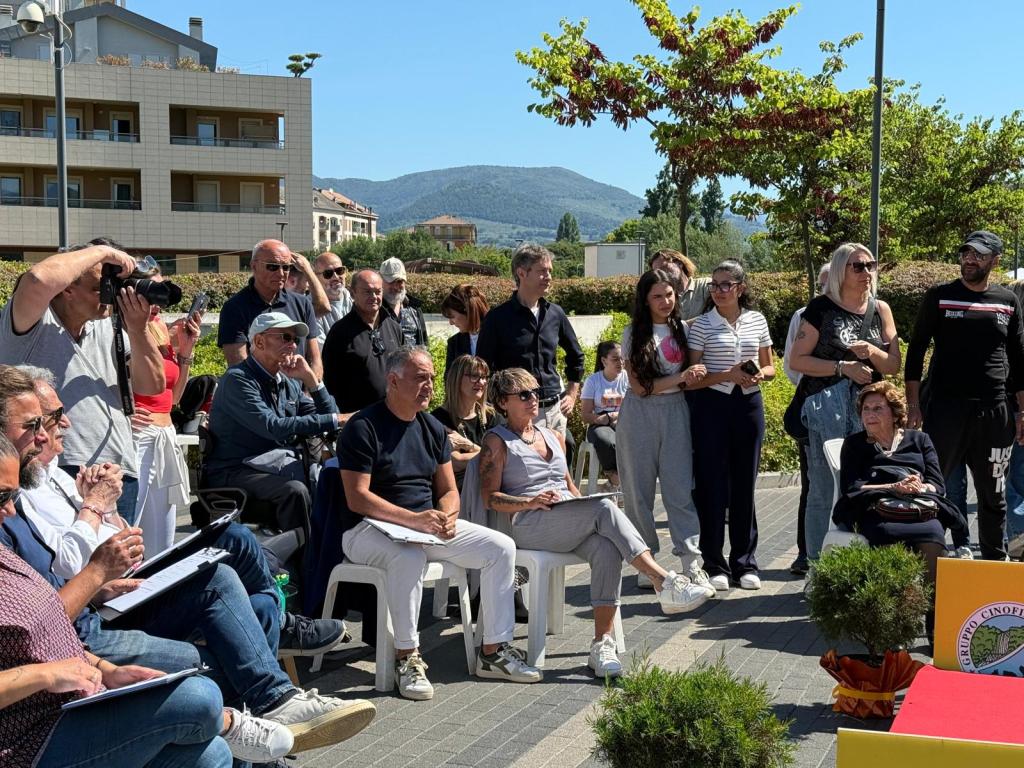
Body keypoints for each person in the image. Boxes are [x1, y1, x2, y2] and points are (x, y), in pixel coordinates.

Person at [0, 427, 298, 767]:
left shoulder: (9, 541)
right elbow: (55, 615)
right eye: (2, 497)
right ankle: (246, 720)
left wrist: (106, 669)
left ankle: (267, 708)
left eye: (13, 496)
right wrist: (49, 675)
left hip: (68, 693)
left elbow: (43, 628)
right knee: (199, 695)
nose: (10, 510)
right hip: (23, 740)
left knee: (210, 751)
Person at [479, 368, 713, 678]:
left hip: (566, 518)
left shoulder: (553, 436)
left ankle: (601, 644)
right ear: (502, 403)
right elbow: (490, 498)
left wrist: (581, 506)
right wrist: (529, 502)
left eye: (536, 392)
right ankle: (663, 581)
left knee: (606, 546)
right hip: (530, 523)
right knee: (603, 507)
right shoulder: (497, 442)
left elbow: (569, 487)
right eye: (523, 394)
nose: (533, 399)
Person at [338, 347, 540, 700]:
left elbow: (448, 490)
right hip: (365, 530)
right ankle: (407, 657)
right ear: (393, 380)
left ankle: (493, 651)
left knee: (500, 547)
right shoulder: (363, 426)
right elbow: (358, 498)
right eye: (420, 378)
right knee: (409, 557)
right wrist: (415, 520)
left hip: (422, 527)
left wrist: (447, 515)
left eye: (431, 378)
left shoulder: (431, 427)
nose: (428, 385)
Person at [0, 239, 166, 522]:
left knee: (121, 562)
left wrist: (138, 330)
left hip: (118, 469)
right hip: (54, 468)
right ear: (67, 288)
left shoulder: (107, 325)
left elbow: (152, 385)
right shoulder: (32, 322)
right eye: (99, 287)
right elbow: (38, 279)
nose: (107, 295)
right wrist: (102, 253)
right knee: (67, 562)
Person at [906, 230, 1024, 562]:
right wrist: (914, 405)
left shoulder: (1007, 301)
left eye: (979, 255)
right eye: (966, 253)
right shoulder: (939, 296)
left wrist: (1022, 414)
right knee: (932, 491)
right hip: (945, 410)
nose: (970, 259)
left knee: (993, 497)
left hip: (994, 412)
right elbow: (915, 353)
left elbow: (1019, 361)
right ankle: (925, 569)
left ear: (995, 260)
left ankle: (992, 566)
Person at [789, 243, 900, 563]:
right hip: (826, 406)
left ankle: (862, 560)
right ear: (841, 270)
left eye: (870, 265)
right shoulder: (820, 309)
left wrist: (872, 351)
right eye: (858, 266)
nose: (867, 272)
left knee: (870, 484)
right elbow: (797, 360)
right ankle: (816, 567)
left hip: (871, 407)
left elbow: (893, 365)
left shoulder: (881, 309)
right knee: (823, 489)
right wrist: (842, 367)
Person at [615, 269, 714, 597]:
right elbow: (640, 387)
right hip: (639, 415)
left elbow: (694, 376)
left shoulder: (684, 329)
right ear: (645, 299)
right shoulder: (633, 332)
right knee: (638, 493)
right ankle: (647, 564)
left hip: (676, 413)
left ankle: (691, 563)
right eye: (657, 296)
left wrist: (692, 377)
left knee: (679, 490)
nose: (665, 302)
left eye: (669, 295)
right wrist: (681, 377)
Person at [206, 313, 340, 534]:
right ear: (259, 341)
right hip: (237, 468)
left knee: (331, 479)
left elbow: (328, 417)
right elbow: (273, 426)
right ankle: (302, 564)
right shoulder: (238, 379)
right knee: (295, 490)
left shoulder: (287, 382)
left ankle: (324, 554)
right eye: (286, 337)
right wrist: (336, 418)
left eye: (295, 340)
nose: (293, 345)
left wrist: (311, 380)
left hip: (275, 464)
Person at [687, 260, 774, 591]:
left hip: (749, 405)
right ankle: (714, 564)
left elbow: (770, 368)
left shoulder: (757, 320)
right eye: (715, 285)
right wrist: (727, 374)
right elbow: (691, 380)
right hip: (712, 406)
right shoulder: (702, 325)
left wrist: (754, 374)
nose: (719, 291)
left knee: (744, 485)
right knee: (711, 487)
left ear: (741, 288)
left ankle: (745, 562)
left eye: (726, 285)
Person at [833, 382, 963, 589]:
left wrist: (917, 486)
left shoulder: (919, 440)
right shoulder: (854, 444)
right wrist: (893, 487)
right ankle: (894, 605)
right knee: (885, 534)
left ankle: (932, 609)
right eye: (866, 409)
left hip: (919, 510)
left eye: (877, 409)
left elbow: (937, 485)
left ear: (894, 415)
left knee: (934, 536)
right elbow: (852, 489)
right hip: (876, 511)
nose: (869, 414)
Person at [477, 243, 585, 445]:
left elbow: (576, 356)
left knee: (556, 471)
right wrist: (498, 407)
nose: (549, 277)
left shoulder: (556, 314)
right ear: (521, 273)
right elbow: (483, 368)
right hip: (517, 412)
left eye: (550, 271)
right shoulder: (497, 319)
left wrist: (571, 394)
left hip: (554, 410)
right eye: (542, 271)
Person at [129, 268, 202, 555]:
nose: (158, 301)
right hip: (136, 437)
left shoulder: (158, 325)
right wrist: (119, 412)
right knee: (128, 530)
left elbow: (174, 399)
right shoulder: (119, 328)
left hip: (164, 432)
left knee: (162, 543)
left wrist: (186, 350)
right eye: (152, 291)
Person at [782, 264, 830, 575]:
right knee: (813, 484)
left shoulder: (866, 311)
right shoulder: (805, 314)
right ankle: (806, 552)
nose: (827, 289)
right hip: (812, 409)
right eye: (822, 283)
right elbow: (791, 364)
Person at [217, 240, 322, 379]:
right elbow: (239, 368)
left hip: (301, 397)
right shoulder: (235, 308)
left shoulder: (301, 303)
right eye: (272, 267)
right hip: (258, 397)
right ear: (254, 266)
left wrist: (310, 394)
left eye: (286, 267)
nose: (281, 273)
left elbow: (315, 360)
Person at [322, 269, 404, 420]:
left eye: (377, 291)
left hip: (394, 417)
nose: (374, 297)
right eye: (367, 292)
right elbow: (330, 384)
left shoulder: (394, 327)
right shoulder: (340, 333)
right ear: (353, 293)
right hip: (358, 422)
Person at [431, 354, 500, 489]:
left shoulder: (491, 415)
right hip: (460, 492)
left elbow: (504, 455)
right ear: (456, 379)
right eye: (474, 376)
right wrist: (492, 455)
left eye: (485, 377)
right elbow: (456, 462)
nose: (481, 382)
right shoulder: (438, 419)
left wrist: (468, 445)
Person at [579, 341, 628, 491]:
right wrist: (603, 419)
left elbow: (638, 405)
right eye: (615, 359)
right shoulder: (593, 381)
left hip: (624, 420)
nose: (620, 362)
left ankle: (614, 484)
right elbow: (585, 415)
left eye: (622, 358)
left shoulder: (629, 377)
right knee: (606, 440)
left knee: (636, 439)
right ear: (603, 360)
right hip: (600, 423)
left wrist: (616, 415)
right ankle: (615, 478)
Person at [649, 249, 710, 321]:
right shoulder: (663, 298)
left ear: (679, 263)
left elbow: (717, 315)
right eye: (657, 272)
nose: (662, 274)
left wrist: (684, 326)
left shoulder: (705, 285)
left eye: (664, 267)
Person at [441, 284, 490, 374]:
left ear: (468, 311)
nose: (451, 323)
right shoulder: (454, 343)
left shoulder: (496, 337)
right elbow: (449, 381)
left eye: (452, 317)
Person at [380, 257, 428, 347]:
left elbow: (424, 345)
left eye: (399, 281)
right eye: (391, 281)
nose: (395, 286)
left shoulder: (414, 309)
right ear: (381, 280)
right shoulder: (376, 310)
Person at [312, 251, 353, 344]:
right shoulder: (310, 308)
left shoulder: (356, 300)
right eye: (328, 273)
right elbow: (322, 349)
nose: (335, 277)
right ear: (315, 277)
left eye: (339, 271)